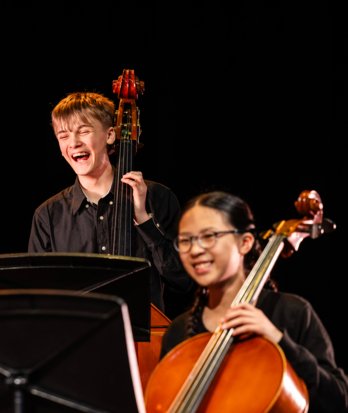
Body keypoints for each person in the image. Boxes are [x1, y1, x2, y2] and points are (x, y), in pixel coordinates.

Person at [159, 191, 348, 412]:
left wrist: (277, 338)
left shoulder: (291, 312)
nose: (196, 249)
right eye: (185, 240)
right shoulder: (177, 332)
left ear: (245, 242)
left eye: (209, 236)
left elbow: (337, 400)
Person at [28, 91, 194, 319]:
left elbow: (183, 281)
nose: (74, 143)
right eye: (63, 135)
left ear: (109, 135)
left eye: (84, 131)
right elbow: (37, 300)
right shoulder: (47, 215)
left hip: (146, 343)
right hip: (77, 344)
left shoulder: (158, 197)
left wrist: (144, 221)